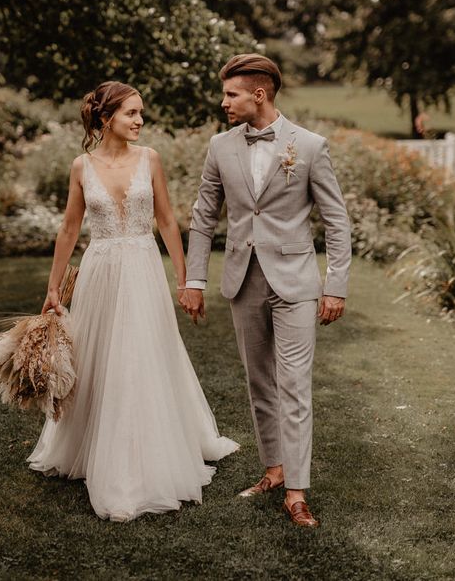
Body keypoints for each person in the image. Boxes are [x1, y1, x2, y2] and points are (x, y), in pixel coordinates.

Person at [27, 81, 238, 522]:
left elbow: (165, 220)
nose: (140, 120)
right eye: (132, 113)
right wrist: (52, 287)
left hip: (143, 268)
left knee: (144, 355)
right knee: (103, 358)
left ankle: (149, 451)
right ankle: (97, 450)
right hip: (101, 269)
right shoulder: (81, 167)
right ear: (106, 119)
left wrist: (186, 278)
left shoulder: (150, 159)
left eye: (142, 113)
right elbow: (69, 229)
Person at [182, 54, 352, 528]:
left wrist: (334, 285)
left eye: (231, 94)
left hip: (296, 281)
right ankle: (273, 470)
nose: (224, 103)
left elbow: (336, 221)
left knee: (294, 385)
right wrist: (194, 279)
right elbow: (203, 218)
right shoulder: (219, 147)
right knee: (260, 383)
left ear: (259, 94)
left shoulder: (311, 146)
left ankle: (296, 492)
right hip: (243, 278)